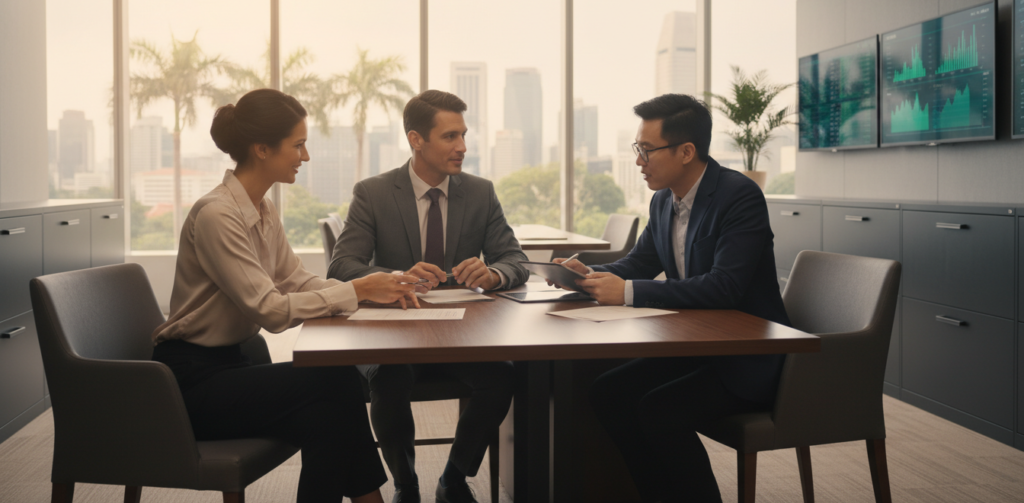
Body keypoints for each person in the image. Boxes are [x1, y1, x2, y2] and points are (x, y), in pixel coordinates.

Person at [151, 88, 423, 503]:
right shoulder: (217, 215)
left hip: (233, 365)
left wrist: (371, 292)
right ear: (262, 148)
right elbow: (271, 311)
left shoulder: (261, 208)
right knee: (332, 383)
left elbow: (294, 280)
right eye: (298, 145)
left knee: (327, 412)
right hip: (190, 384)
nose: (306, 156)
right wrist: (354, 290)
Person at [557, 94, 791, 503]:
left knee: (659, 411)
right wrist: (591, 277)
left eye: (646, 150)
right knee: (607, 393)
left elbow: (724, 287)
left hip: (745, 358)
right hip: (695, 349)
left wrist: (626, 292)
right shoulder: (663, 200)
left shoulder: (739, 197)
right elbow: (639, 263)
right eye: (638, 149)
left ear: (686, 151)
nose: (638, 161)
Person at [329, 89, 527, 503]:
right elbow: (342, 266)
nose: (463, 147)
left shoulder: (480, 192)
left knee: (503, 374)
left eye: (464, 136)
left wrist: (492, 274)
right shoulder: (374, 192)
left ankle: (454, 477)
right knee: (389, 375)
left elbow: (514, 259)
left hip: (462, 336)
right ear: (416, 140)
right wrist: (396, 276)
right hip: (394, 332)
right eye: (450, 137)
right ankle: (406, 483)